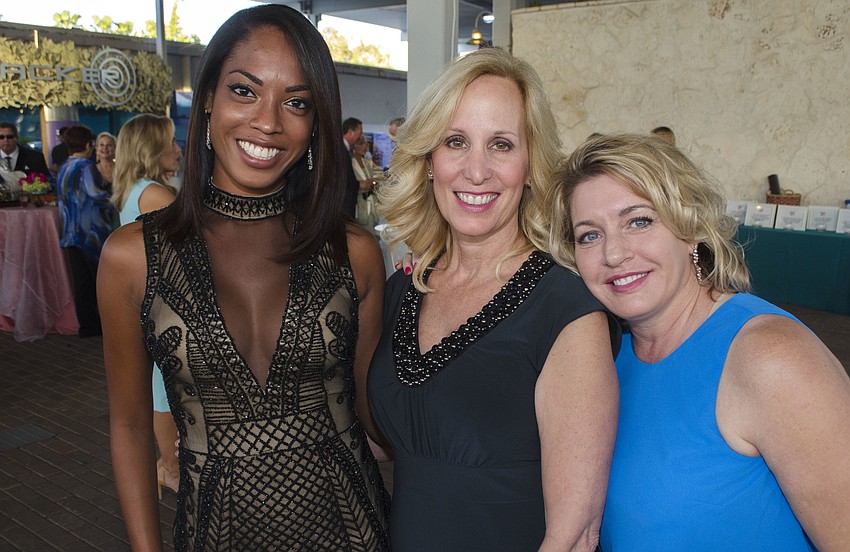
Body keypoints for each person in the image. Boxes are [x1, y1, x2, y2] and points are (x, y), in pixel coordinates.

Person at [97, 5, 390, 551]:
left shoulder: (355, 252)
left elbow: (378, 415)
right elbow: (132, 428)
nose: (269, 122)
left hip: (353, 532)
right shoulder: (132, 258)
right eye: (245, 91)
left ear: (316, 121)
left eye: (296, 102)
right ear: (208, 99)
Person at [368, 48, 619, 551]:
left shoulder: (564, 308)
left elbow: (574, 535)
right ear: (429, 159)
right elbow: (380, 441)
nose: (476, 171)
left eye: (501, 144)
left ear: (531, 166)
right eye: (456, 141)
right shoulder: (404, 288)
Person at [551, 133, 850, 551]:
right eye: (589, 235)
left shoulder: (770, 356)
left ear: (690, 229)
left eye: (639, 221)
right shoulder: (604, 358)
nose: (614, 253)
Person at [110, 113, 182, 499]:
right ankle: (169, 469)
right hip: (163, 303)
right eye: (169, 142)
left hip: (150, 300)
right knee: (162, 389)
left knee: (159, 385)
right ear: (150, 149)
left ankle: (165, 468)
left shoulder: (136, 189)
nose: (177, 149)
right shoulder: (154, 193)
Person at [57, 125, 115, 338]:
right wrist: (118, 200)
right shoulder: (86, 167)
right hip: (90, 233)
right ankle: (102, 325)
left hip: (69, 232)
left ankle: (87, 326)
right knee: (98, 282)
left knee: (81, 284)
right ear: (90, 144)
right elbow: (96, 195)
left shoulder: (64, 166)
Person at [351, 135, 381, 230]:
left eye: (365, 144)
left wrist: (374, 183)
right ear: (353, 146)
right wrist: (361, 184)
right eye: (361, 144)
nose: (364, 147)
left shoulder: (367, 163)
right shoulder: (349, 163)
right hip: (358, 204)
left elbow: (372, 182)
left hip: (371, 203)